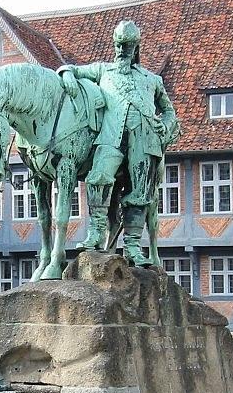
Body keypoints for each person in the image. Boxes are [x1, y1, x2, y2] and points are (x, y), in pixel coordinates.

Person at [57, 20, 179, 266]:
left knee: (140, 191)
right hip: (110, 138)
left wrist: (164, 126)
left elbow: (169, 111)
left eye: (128, 46)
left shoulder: (152, 80)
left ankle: (133, 246)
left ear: (136, 48)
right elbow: (70, 68)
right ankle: (95, 234)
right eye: (119, 45)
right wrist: (66, 73)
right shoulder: (103, 70)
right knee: (98, 177)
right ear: (114, 45)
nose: (123, 50)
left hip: (144, 141)